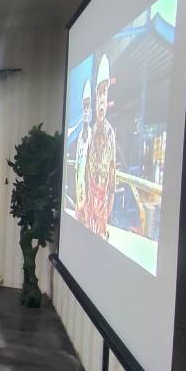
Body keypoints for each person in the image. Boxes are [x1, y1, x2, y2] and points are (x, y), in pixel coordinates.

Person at [84, 54, 117, 239]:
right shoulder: (90, 133)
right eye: (100, 93)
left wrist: (109, 205)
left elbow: (112, 171)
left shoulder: (110, 133)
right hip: (89, 210)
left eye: (105, 92)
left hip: (103, 210)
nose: (102, 98)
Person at [75, 79, 93, 225]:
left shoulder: (93, 135)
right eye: (84, 107)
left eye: (88, 106)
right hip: (79, 191)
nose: (86, 111)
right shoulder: (80, 135)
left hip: (89, 195)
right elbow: (77, 167)